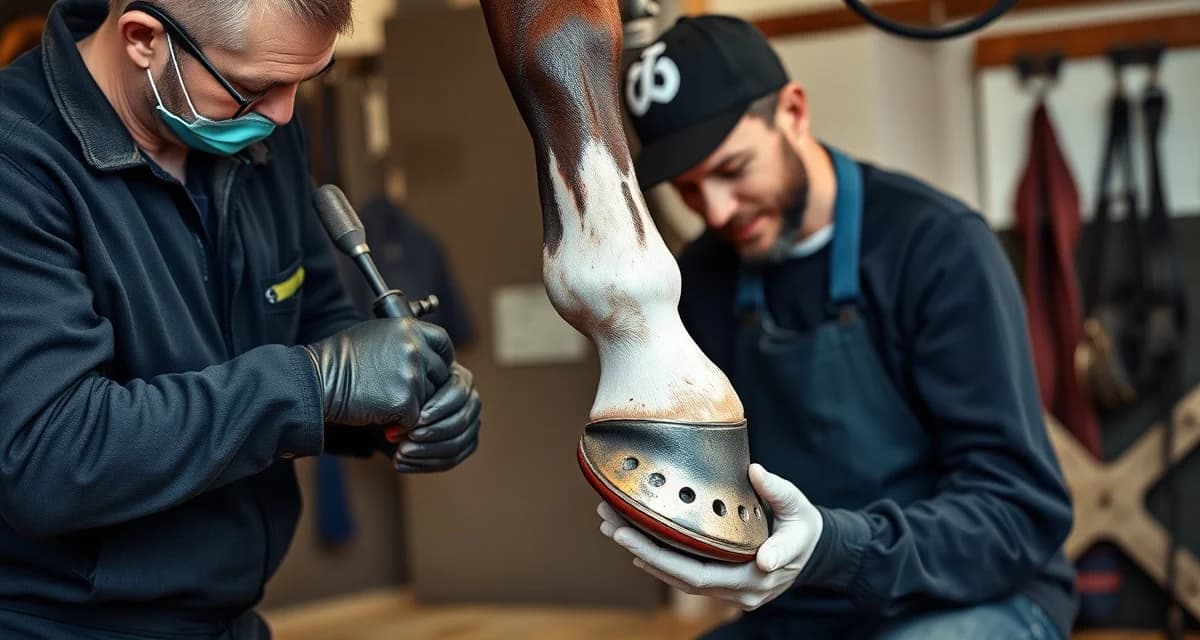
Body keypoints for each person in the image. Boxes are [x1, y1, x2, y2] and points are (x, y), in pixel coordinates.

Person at [0, 0, 481, 637]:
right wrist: (313, 385)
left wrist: (393, 401)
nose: (283, 114)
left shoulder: (266, 131)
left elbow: (311, 316)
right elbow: (53, 455)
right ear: (144, 38)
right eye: (255, 88)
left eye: (302, 82)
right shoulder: (17, 163)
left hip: (229, 614)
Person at [598, 15, 1077, 639]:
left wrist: (835, 546)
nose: (714, 210)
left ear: (793, 111)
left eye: (734, 168)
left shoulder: (936, 248)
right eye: (689, 189)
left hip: (969, 601)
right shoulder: (701, 280)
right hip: (802, 607)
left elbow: (1017, 510)